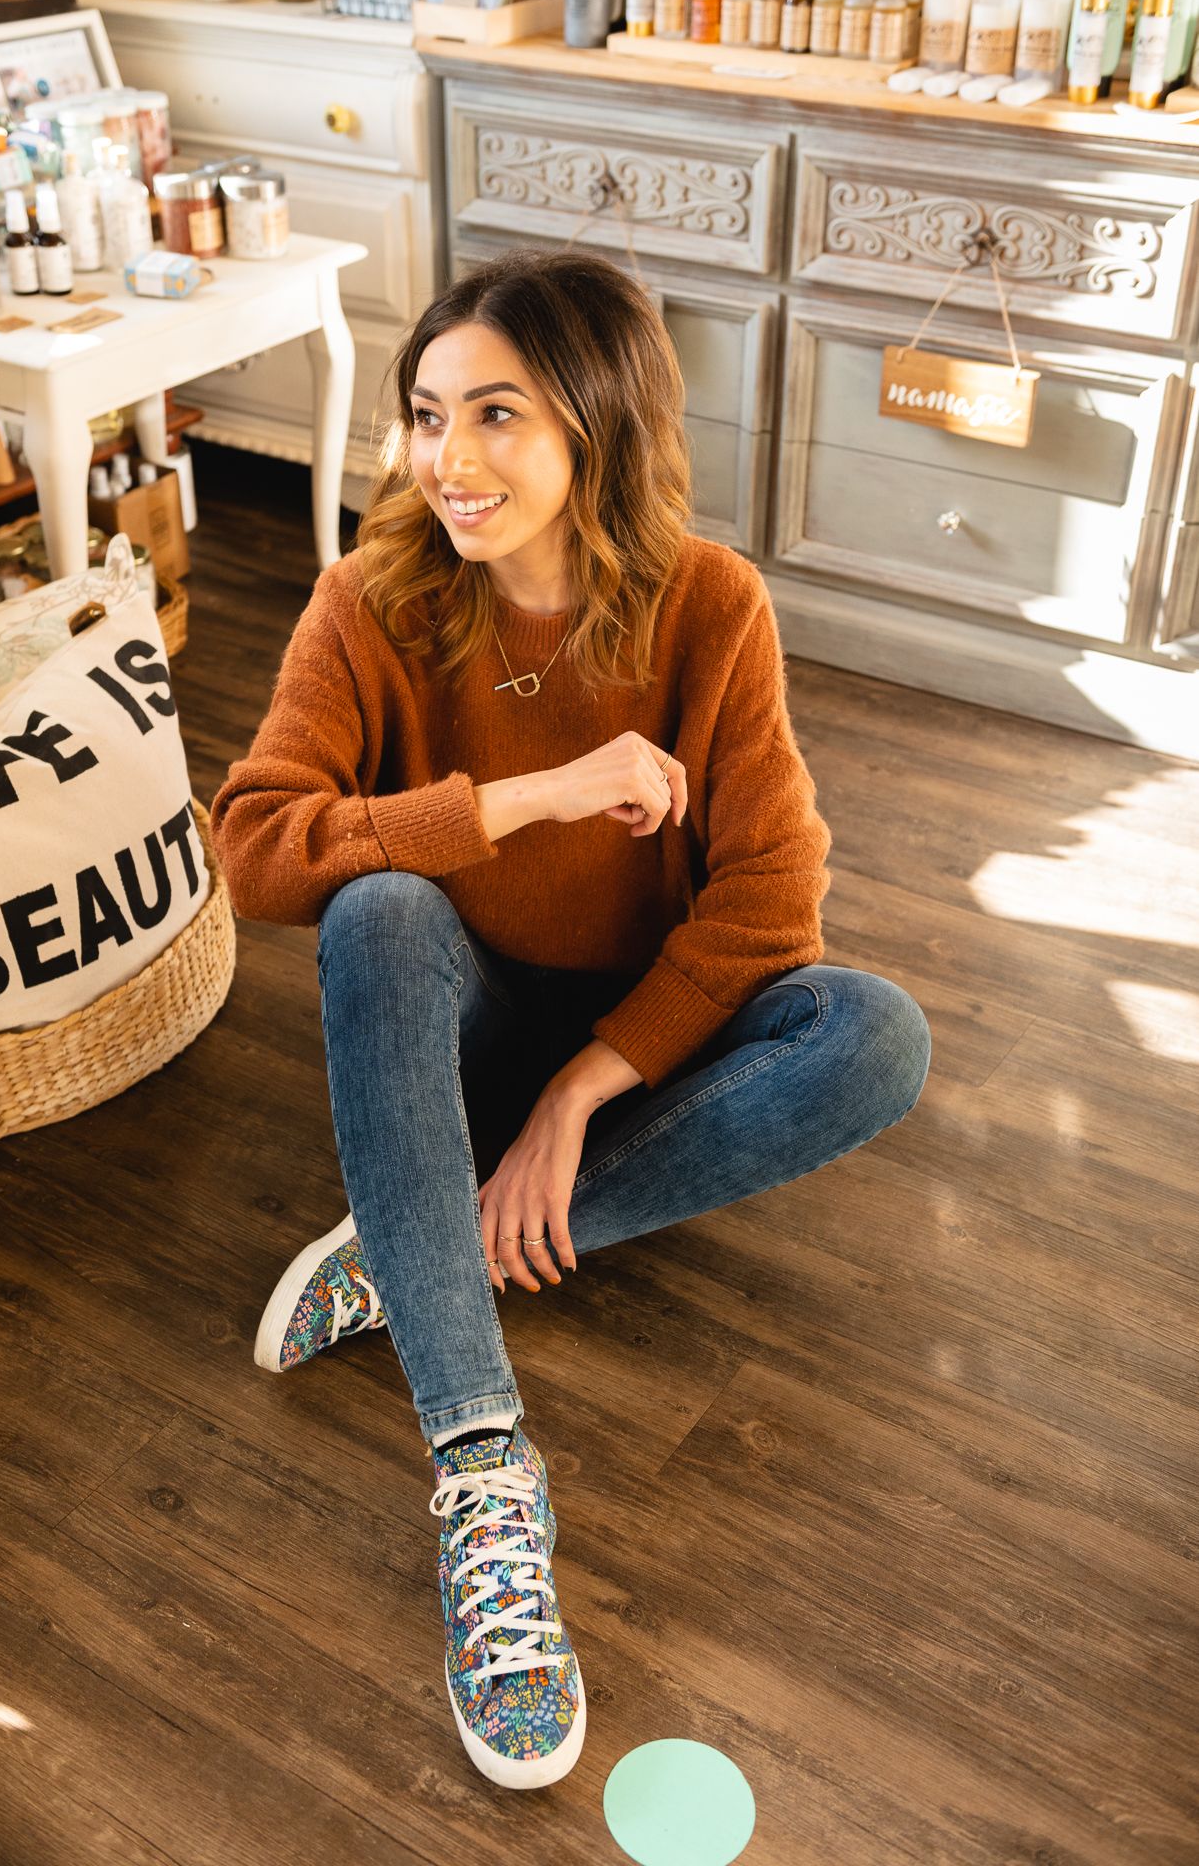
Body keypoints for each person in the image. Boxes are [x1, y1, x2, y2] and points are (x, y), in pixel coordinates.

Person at [208, 249, 931, 1793]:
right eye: (425, 415)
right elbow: (258, 843)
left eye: (497, 417)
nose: (447, 462)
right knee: (381, 906)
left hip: (633, 1038)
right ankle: (484, 1471)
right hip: (453, 1015)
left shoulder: (711, 604)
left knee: (873, 1031)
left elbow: (772, 896)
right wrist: (532, 794)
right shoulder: (368, 598)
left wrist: (577, 1098)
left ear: (596, 425)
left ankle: (416, 1251)